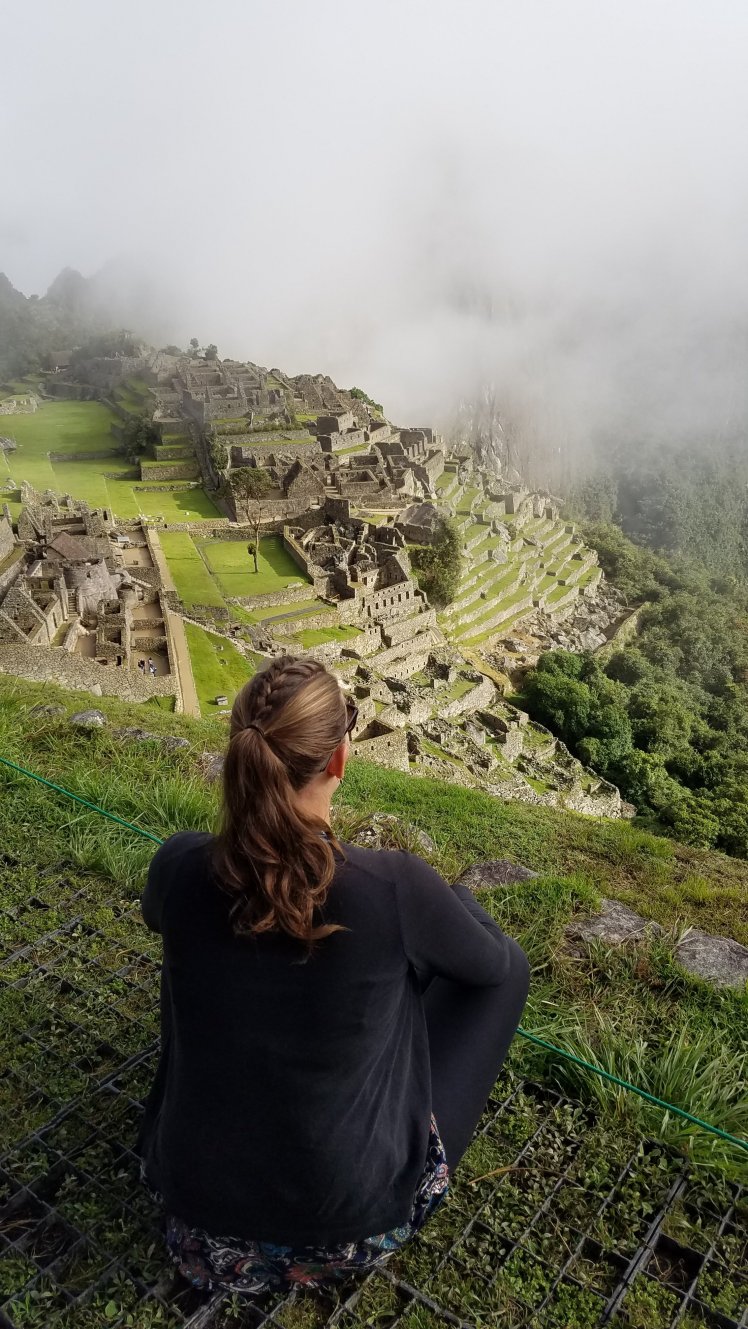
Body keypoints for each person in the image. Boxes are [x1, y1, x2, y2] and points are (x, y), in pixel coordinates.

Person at [137, 656, 529, 1296]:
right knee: (508, 975)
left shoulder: (180, 864)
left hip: (195, 1222)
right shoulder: (392, 886)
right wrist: (456, 899)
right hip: (346, 1233)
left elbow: (161, 915)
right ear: (340, 758)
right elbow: (493, 965)